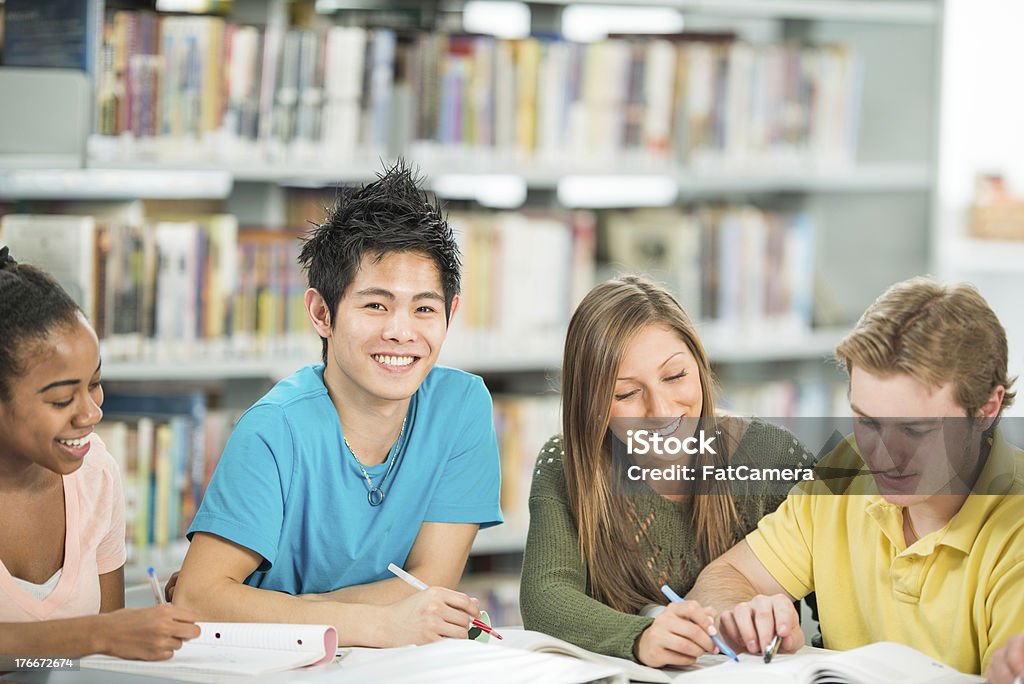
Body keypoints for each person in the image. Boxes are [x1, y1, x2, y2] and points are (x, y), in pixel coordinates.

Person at [174, 162, 503, 647]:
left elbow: (429, 586)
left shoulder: (462, 406)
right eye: (375, 305)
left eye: (425, 308)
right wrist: (383, 622)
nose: (401, 331)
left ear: (450, 315)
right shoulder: (273, 429)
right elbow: (197, 600)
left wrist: (278, 606)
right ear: (321, 313)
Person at [688, 277, 1024, 676]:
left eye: (915, 430)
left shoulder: (1014, 525)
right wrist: (743, 616)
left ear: (986, 409)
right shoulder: (845, 466)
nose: (881, 455)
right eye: (867, 421)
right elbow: (726, 577)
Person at [519, 275, 817, 667]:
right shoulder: (566, 464)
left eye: (675, 376)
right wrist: (639, 638)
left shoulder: (771, 456)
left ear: (699, 365)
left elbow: (844, 573)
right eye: (626, 393)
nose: (660, 410)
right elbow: (545, 595)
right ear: (591, 405)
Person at [0, 247, 200, 660]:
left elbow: (105, 658)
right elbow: (103, 635)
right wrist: (97, 635)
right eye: (61, 399)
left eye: (94, 383)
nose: (92, 412)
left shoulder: (95, 472)